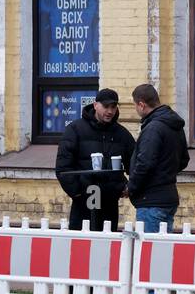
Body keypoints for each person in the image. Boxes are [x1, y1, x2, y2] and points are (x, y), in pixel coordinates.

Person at [54, 88, 136, 232]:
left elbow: (135, 166)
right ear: (95, 105)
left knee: (107, 247)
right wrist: (78, 192)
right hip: (83, 202)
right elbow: (63, 167)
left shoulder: (122, 134)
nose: (110, 111)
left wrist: (127, 186)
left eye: (113, 107)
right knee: (81, 246)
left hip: (109, 202)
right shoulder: (75, 130)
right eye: (106, 106)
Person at [128, 83, 190, 234]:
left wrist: (131, 187)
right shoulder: (174, 125)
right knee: (161, 251)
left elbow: (145, 163)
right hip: (168, 197)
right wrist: (166, 172)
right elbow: (183, 159)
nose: (136, 109)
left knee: (149, 251)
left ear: (141, 104)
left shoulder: (153, 128)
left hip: (151, 201)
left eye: (136, 105)